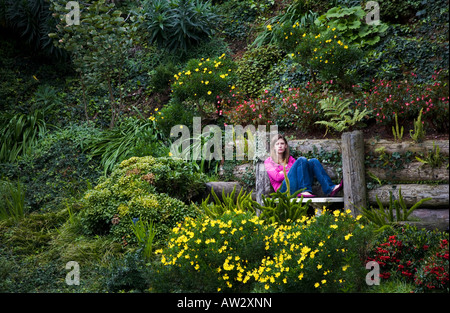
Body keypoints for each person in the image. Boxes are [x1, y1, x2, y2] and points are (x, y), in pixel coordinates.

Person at [264, 134, 343, 198]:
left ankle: (330, 188)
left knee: (313, 161)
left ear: (286, 146)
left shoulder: (290, 159)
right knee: (301, 160)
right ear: (274, 147)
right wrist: (291, 170)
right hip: (283, 190)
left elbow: (299, 170)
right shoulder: (268, 162)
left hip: (295, 187)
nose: (280, 146)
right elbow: (277, 177)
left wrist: (284, 172)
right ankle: (304, 190)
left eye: (282, 143)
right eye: (277, 144)